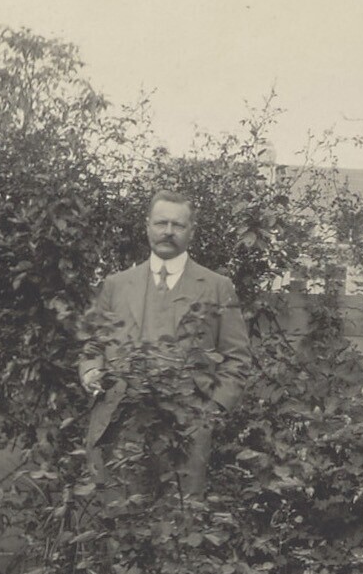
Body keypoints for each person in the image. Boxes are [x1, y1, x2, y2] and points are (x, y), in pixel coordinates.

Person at [80, 190, 252, 495]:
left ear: (191, 231)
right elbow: (94, 345)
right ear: (147, 225)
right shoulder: (116, 285)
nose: (168, 232)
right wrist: (91, 371)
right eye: (161, 223)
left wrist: (210, 414)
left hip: (187, 429)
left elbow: (237, 358)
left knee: (180, 516)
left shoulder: (217, 287)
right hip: (122, 424)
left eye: (178, 225)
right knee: (119, 514)